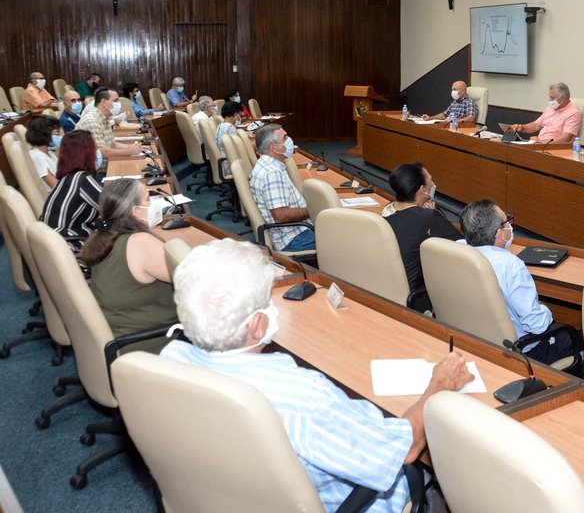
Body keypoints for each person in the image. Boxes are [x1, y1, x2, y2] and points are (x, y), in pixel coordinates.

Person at [161, 238, 474, 512]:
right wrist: (440, 384)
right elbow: (403, 449)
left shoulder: (169, 359)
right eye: (266, 300)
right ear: (256, 324)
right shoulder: (303, 397)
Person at [460, 199, 576, 364]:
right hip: (521, 351)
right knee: (569, 336)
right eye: (506, 221)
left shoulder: (459, 252)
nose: (510, 227)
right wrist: (545, 309)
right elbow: (537, 326)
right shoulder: (510, 265)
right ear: (498, 233)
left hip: (475, 338)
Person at [81, 178, 177, 353]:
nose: (154, 202)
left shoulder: (103, 237)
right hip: (153, 343)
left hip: (117, 337)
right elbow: (192, 279)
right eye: (148, 198)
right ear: (136, 211)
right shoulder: (140, 243)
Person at [383, 162, 462, 313]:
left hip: (387, 289)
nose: (434, 184)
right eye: (430, 181)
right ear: (423, 190)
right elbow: (465, 248)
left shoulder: (386, 212)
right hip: (415, 299)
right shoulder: (430, 218)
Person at [250, 124, 315, 252]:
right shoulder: (272, 173)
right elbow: (281, 216)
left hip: (296, 233)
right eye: (285, 138)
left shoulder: (265, 164)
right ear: (274, 148)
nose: (289, 139)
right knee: (346, 236)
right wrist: (314, 209)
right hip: (294, 239)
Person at [40, 130, 102, 261]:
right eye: (94, 150)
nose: (97, 155)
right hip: (72, 251)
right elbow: (114, 206)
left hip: (54, 247)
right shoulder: (82, 178)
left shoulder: (68, 178)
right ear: (86, 154)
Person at [75, 87, 143, 161]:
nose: (119, 104)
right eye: (115, 100)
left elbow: (112, 144)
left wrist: (133, 147)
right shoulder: (91, 121)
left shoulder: (104, 118)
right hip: (93, 168)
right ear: (104, 102)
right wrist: (129, 151)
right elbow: (101, 152)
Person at [510, 82, 581, 143]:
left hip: (555, 149)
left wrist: (541, 143)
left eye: (552, 97)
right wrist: (522, 127)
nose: (549, 100)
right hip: (540, 145)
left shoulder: (573, 113)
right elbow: (535, 125)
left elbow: (565, 138)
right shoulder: (550, 108)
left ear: (562, 98)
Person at [26, 115, 61, 191]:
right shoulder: (37, 157)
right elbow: (55, 186)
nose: (59, 137)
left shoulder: (48, 152)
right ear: (44, 135)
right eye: (56, 134)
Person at [216, 100, 243, 175]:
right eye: (239, 115)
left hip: (223, 162)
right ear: (235, 114)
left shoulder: (221, 125)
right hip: (230, 164)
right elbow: (237, 148)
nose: (239, 118)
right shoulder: (230, 128)